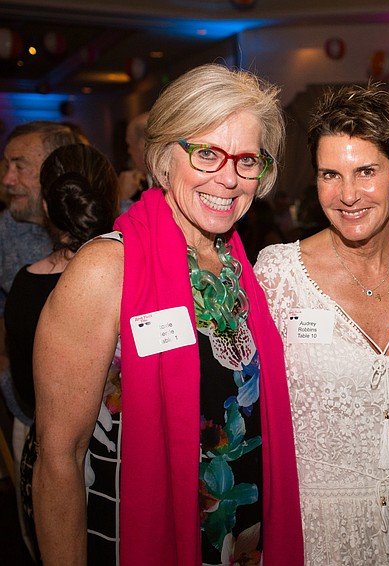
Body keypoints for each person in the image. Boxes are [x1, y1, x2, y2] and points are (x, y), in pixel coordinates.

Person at [32, 64, 303, 565]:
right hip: (137, 539)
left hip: (236, 544)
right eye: (206, 153)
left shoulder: (241, 273)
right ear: (162, 159)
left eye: (247, 160)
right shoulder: (105, 270)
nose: (229, 178)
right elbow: (58, 459)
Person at [255, 84, 389, 565]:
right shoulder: (278, 276)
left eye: (366, 172)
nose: (348, 195)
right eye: (330, 175)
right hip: (317, 535)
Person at [7, 143, 119, 560]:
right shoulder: (132, 279)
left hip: (46, 459)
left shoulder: (25, 284)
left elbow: (22, 389)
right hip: (113, 466)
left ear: (50, 209)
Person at [0, 120, 81, 559]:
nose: (7, 179)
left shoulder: (110, 220)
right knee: (40, 537)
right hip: (26, 416)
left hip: (99, 427)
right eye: (5, 165)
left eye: (19, 166)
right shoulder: (2, 235)